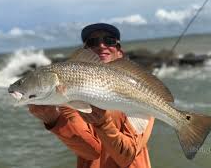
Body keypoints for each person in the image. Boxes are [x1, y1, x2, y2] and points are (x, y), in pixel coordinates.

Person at [28, 23, 155, 168]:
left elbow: (127, 156)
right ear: (85, 53)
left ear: (120, 52)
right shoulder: (68, 94)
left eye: (109, 41)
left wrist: (103, 123)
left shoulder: (142, 93)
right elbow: (91, 152)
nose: (101, 46)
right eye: (92, 42)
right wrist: (53, 120)